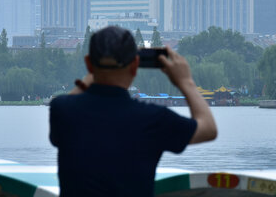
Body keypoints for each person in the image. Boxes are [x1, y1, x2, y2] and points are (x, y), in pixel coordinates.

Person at [49, 26, 217, 197]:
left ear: (88, 64)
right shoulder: (154, 119)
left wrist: (92, 77)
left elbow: (67, 107)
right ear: (135, 65)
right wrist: (185, 81)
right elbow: (208, 129)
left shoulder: (62, 110)